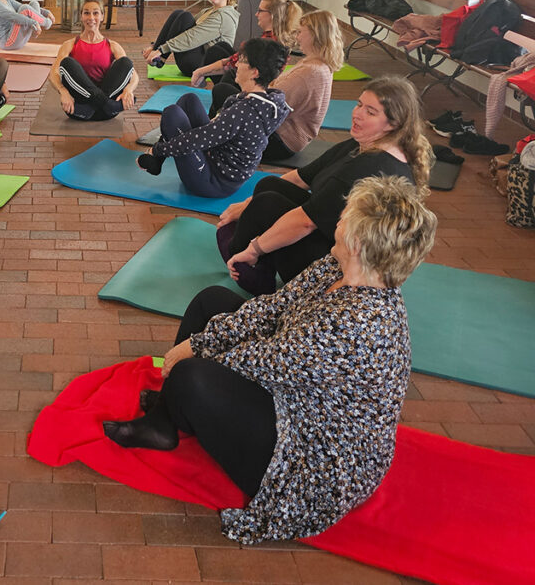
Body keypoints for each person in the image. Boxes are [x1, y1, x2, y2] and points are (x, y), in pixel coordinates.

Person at [103, 175, 438, 545]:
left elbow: (263, 361)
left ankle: (176, 405)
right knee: (212, 302)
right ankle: (164, 420)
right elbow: (273, 308)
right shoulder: (338, 266)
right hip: (296, 395)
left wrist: (194, 348)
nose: (339, 217)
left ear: (358, 242)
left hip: (313, 459)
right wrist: (205, 342)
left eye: (347, 216)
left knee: (192, 374)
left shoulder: (357, 321)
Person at [217, 76, 432, 295]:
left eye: (370, 112)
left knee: (266, 204)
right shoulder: (364, 145)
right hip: (333, 242)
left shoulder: (368, 166)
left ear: (393, 124)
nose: (357, 114)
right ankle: (259, 259)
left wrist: (254, 248)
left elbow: (305, 222)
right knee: (270, 185)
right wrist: (246, 203)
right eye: (359, 104)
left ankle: (245, 263)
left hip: (340, 267)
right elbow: (301, 177)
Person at [136, 38, 291, 198]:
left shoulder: (243, 112)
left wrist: (156, 149)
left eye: (243, 61)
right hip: (219, 161)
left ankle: (156, 156)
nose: (237, 64)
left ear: (255, 72)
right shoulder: (265, 101)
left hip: (213, 182)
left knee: (172, 114)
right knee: (189, 100)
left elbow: (195, 140)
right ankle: (157, 161)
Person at [186, 0, 301, 113]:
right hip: (256, 86)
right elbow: (233, 60)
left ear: (271, 16)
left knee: (223, 82)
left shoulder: (267, 44)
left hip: (253, 96)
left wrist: (200, 71)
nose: (256, 14)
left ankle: (215, 112)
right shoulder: (276, 37)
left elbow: (230, 64)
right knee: (221, 48)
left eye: (260, 11)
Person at [260, 10, 345, 161]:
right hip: (285, 134)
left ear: (315, 35)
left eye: (300, 32)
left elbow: (269, 106)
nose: (297, 37)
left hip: (281, 141)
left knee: (227, 93)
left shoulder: (310, 72)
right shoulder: (316, 63)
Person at [49, 0, 139, 121]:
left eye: (95, 13)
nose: (91, 18)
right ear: (81, 16)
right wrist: (63, 91)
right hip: (79, 107)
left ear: (102, 16)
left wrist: (129, 89)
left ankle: (94, 106)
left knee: (126, 62)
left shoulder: (112, 46)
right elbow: (53, 74)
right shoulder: (70, 44)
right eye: (86, 13)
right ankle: (104, 103)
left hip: (100, 111)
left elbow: (133, 75)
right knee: (67, 63)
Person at [142, 0, 239, 76]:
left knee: (185, 16)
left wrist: (161, 50)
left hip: (200, 66)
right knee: (178, 14)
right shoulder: (208, 11)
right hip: (196, 59)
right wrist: (156, 47)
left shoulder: (223, 17)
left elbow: (192, 37)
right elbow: (180, 29)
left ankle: (160, 57)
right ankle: (158, 56)